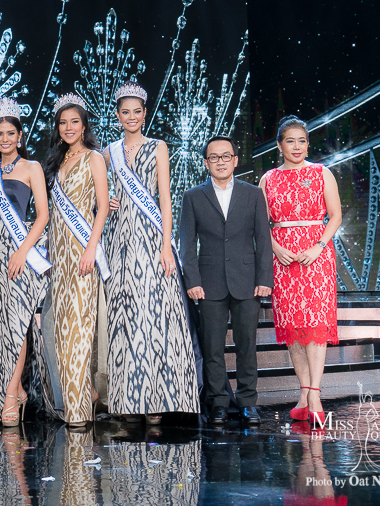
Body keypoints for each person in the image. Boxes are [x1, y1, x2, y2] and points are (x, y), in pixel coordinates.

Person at [102, 82, 199, 425]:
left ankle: (158, 397)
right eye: (125, 112)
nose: (131, 117)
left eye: (137, 112)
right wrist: (107, 200)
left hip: (150, 235)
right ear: (117, 115)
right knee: (124, 314)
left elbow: (165, 198)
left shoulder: (158, 146)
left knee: (154, 313)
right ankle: (129, 398)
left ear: (145, 114)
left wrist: (166, 244)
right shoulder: (108, 152)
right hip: (118, 239)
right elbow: (100, 189)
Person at [178, 135, 273, 426]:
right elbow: (186, 243)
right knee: (212, 348)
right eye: (214, 157)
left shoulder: (253, 194)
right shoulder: (193, 196)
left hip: (247, 281)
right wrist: (192, 280)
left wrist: (264, 278)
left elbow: (263, 239)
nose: (220, 162)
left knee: (247, 346)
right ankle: (218, 403)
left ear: (235, 160)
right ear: (206, 163)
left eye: (226, 156)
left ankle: (247, 403)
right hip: (208, 283)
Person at [0, 97, 54, 427]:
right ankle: (14, 388)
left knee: (18, 321)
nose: (5, 139)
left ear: (20, 136)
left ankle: (11, 393)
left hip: (19, 251)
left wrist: (21, 251)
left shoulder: (32, 168)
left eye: (10, 133)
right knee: (1, 322)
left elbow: (43, 216)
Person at [260, 115, 342, 427]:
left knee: (316, 325)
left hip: (316, 256)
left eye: (302, 141)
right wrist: (275, 248)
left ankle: (315, 396)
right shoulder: (268, 179)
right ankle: (304, 394)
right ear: (279, 146)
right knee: (294, 329)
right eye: (290, 141)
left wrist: (318, 246)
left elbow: (335, 216)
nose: (297, 146)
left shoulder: (322, 173)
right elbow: (260, 222)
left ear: (308, 144)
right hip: (283, 259)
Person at [43, 94, 110, 427]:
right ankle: (80, 397)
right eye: (63, 122)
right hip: (59, 255)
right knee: (62, 331)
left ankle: (78, 410)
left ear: (84, 126)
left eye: (75, 122)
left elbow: (102, 208)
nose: (68, 127)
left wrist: (90, 249)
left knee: (80, 329)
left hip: (83, 251)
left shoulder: (94, 158)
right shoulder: (57, 162)